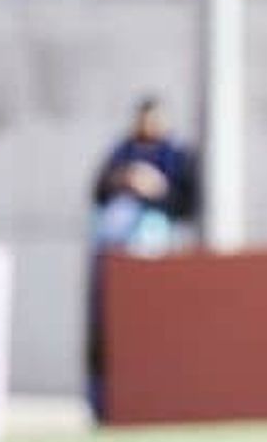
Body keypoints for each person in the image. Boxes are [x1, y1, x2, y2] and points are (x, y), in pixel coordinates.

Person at [85, 96, 198, 421]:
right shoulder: (122, 152)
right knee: (105, 332)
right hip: (113, 255)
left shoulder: (176, 155)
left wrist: (156, 190)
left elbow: (186, 202)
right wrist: (123, 181)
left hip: (156, 252)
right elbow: (98, 190)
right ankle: (101, 403)